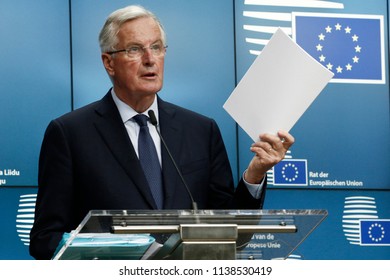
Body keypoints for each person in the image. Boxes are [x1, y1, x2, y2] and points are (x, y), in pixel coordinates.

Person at [29, 5, 294, 260]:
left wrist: (255, 174)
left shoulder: (201, 131)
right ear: (109, 63)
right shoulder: (70, 133)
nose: (149, 59)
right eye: (135, 49)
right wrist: (109, 248)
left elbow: (231, 232)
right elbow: (44, 238)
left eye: (156, 47)